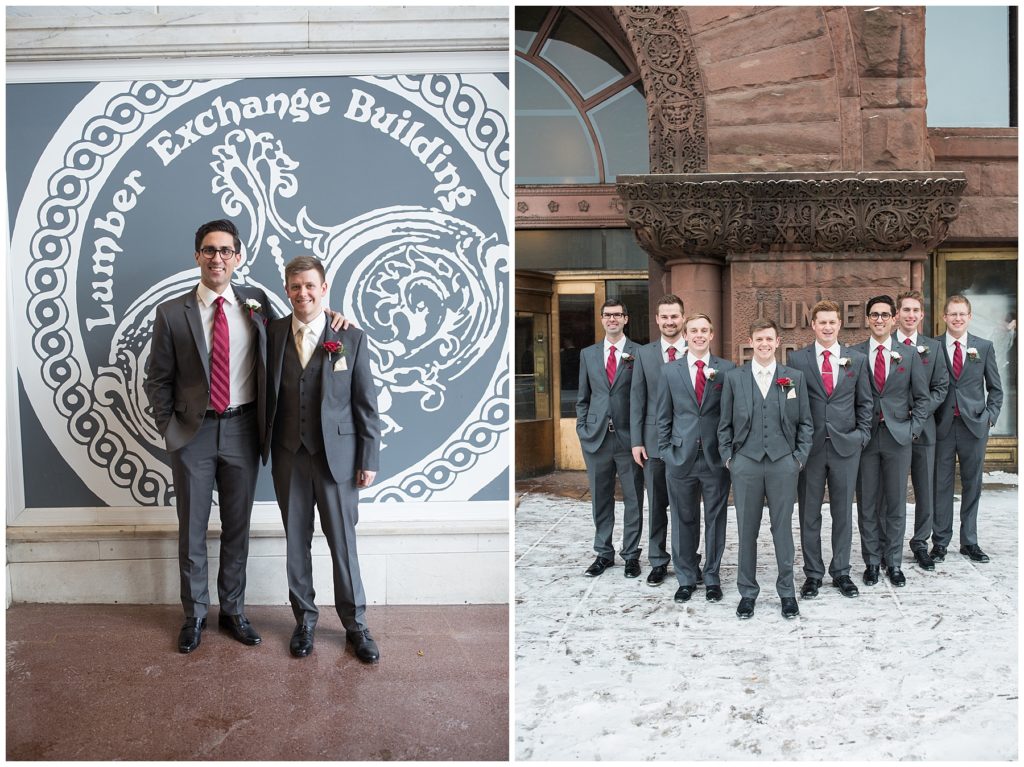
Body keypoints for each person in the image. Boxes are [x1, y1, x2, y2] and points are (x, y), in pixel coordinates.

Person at [145, 219, 272, 654]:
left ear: (237, 258)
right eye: (208, 250)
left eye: (225, 251)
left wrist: (335, 318)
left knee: (238, 527)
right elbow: (157, 379)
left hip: (243, 429)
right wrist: (170, 428)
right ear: (197, 255)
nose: (217, 258)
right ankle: (195, 614)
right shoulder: (171, 313)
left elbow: (298, 334)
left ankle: (232, 610)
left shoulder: (258, 306)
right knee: (192, 529)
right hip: (193, 434)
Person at [265, 256, 382, 662]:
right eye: (295, 286)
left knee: (343, 546)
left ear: (324, 287)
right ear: (286, 290)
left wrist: (368, 458)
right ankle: (305, 621)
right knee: (296, 543)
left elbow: (366, 405)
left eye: (310, 286)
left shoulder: (350, 338)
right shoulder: (272, 333)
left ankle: (356, 626)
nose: (303, 293)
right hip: (288, 456)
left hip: (338, 459)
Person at [717, 320, 813, 620]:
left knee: (783, 529)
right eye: (759, 339)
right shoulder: (734, 378)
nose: (764, 344)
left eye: (769, 339)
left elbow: (806, 423)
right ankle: (747, 593)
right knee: (747, 530)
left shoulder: (792, 377)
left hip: (783, 463)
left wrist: (798, 458)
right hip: (745, 462)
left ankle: (787, 592)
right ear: (750, 341)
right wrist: (730, 458)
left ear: (778, 341)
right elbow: (724, 425)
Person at [787, 300, 872, 600]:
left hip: (846, 447)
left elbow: (865, 402)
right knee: (809, 514)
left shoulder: (857, 359)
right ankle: (813, 574)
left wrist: (862, 435)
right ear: (813, 325)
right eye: (821, 322)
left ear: (839, 325)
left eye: (831, 322)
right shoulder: (797, 360)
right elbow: (790, 405)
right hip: (810, 450)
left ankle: (842, 572)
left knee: (842, 514)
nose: (826, 327)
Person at [656, 313, 735, 604]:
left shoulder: (726, 369)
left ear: (712, 335)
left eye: (704, 330)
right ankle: (686, 577)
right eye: (694, 331)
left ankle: (712, 576)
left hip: (715, 457)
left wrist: (728, 452)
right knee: (683, 518)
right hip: (680, 456)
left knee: (716, 518)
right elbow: (662, 415)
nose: (699, 335)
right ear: (685, 336)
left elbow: (731, 415)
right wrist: (666, 450)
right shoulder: (669, 371)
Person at [851, 295, 929, 588]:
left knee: (896, 502)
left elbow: (922, 398)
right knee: (867, 503)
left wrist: (912, 429)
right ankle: (872, 561)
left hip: (899, 438)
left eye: (885, 315)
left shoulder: (908, 355)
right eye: (874, 315)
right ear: (868, 319)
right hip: (867, 438)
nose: (880, 319)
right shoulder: (856, 354)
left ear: (894, 318)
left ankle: (893, 562)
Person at [577, 299, 645, 578]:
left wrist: (640, 437)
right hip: (596, 438)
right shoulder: (588, 354)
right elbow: (583, 397)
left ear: (626, 319)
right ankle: (603, 553)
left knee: (634, 499)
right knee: (600, 499)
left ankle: (630, 555)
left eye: (618, 315)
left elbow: (644, 396)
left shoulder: (639, 353)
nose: (612, 319)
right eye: (607, 315)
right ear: (602, 319)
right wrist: (583, 428)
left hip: (629, 439)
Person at [630, 294, 695, 587]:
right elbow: (637, 399)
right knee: (657, 505)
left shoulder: (695, 349)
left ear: (683, 318)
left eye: (675, 316)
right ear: (657, 320)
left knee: (686, 506)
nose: (670, 322)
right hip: (653, 442)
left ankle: (687, 558)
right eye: (664, 317)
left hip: (686, 444)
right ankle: (658, 560)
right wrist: (636, 440)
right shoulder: (644, 354)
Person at [932, 294, 1003, 564]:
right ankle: (940, 542)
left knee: (973, 485)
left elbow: (996, 389)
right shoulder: (933, 346)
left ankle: (969, 541)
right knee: (941, 485)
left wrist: (989, 417)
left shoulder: (983, 347)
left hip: (974, 426)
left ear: (969, 317)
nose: (958, 318)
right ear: (944, 317)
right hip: (943, 427)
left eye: (962, 314)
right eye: (953, 314)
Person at [893, 290, 949, 571]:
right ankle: (888, 544)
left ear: (922, 314)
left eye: (915, 310)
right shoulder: (886, 345)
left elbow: (941, 386)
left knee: (925, 489)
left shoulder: (933, 348)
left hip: (924, 429)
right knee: (892, 491)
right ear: (897, 314)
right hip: (892, 429)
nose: (911, 315)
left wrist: (922, 410)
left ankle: (920, 544)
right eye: (905, 310)